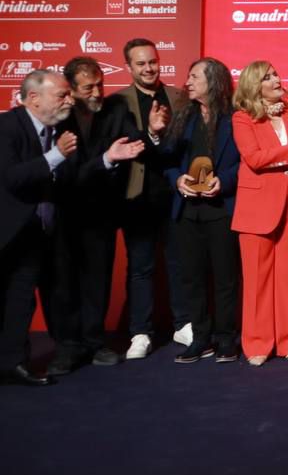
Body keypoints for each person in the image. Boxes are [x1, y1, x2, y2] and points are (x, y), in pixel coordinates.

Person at [45, 58, 143, 375]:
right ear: (71, 90)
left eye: (100, 83)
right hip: (63, 215)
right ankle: (67, 347)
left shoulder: (115, 111)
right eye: (89, 87)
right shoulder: (57, 119)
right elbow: (66, 175)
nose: (98, 91)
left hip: (101, 214)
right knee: (63, 284)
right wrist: (105, 159)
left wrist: (152, 132)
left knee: (97, 281)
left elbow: (137, 142)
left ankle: (94, 342)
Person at [102, 37, 183, 360]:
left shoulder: (178, 96)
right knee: (141, 267)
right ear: (129, 67)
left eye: (153, 61)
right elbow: (123, 147)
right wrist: (151, 134)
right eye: (141, 64)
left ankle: (184, 323)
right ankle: (140, 331)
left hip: (176, 195)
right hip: (136, 198)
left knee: (179, 264)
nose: (149, 68)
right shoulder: (116, 103)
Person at [230, 61, 288, 366]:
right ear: (255, 86)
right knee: (257, 280)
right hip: (257, 210)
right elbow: (253, 159)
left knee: (287, 277)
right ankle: (257, 343)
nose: (277, 79)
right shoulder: (243, 118)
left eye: (276, 73)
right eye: (268, 77)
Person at [0, 70, 76, 386]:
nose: (69, 100)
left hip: (36, 233)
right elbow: (12, 177)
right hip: (6, 232)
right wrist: (57, 155)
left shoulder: (57, 131)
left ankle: (13, 364)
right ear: (34, 98)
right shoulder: (6, 126)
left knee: (21, 299)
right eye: (61, 95)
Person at [164, 58, 241, 364]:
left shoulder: (235, 118)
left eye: (195, 76)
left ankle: (225, 339)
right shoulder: (182, 117)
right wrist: (177, 179)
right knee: (191, 278)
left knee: (225, 278)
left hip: (221, 209)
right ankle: (200, 339)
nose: (188, 81)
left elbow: (244, 163)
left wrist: (225, 181)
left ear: (214, 81)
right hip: (187, 210)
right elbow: (167, 161)